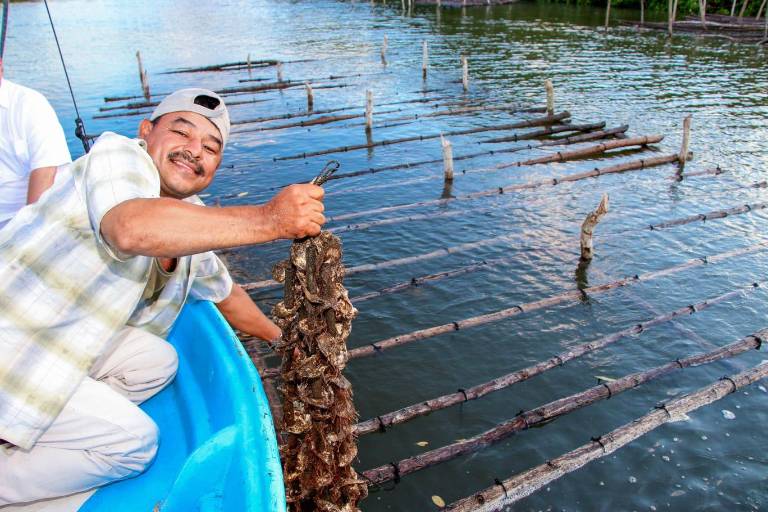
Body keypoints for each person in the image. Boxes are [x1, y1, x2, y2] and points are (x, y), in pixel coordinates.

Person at [0, 88, 325, 506]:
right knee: (133, 443)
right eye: (182, 133)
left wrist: (286, 342)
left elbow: (227, 295)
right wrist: (269, 219)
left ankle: (40, 431)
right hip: (12, 336)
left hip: (46, 340)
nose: (195, 151)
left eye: (211, 148)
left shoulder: (190, 219)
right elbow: (129, 228)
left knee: (158, 362)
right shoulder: (117, 156)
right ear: (146, 132)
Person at [0, 57, 72, 230]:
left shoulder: (29, 105)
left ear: (1, 65)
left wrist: (24, 236)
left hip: (28, 223)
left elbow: (46, 174)